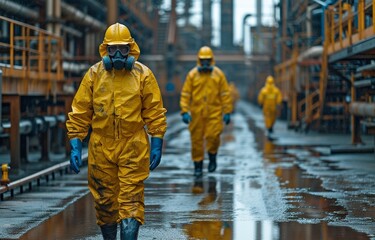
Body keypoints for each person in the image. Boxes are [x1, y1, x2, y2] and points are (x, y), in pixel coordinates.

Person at [66, 22, 167, 240]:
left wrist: (157, 139)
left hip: (133, 145)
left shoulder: (143, 75)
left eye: (123, 48)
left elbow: (154, 110)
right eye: (113, 49)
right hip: (101, 146)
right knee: (105, 201)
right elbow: (80, 110)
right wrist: (75, 141)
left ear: (131, 49)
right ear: (106, 50)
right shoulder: (94, 75)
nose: (119, 54)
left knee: (130, 199)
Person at [180, 46, 232, 177]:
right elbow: (186, 94)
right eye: (202, 60)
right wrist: (185, 111)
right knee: (196, 140)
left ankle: (212, 157)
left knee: (213, 137)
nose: (205, 63)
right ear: (199, 60)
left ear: (211, 60)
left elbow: (225, 94)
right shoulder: (192, 75)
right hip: (197, 114)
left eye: (207, 60)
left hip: (214, 112)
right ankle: (198, 166)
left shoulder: (218, 74)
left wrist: (227, 111)